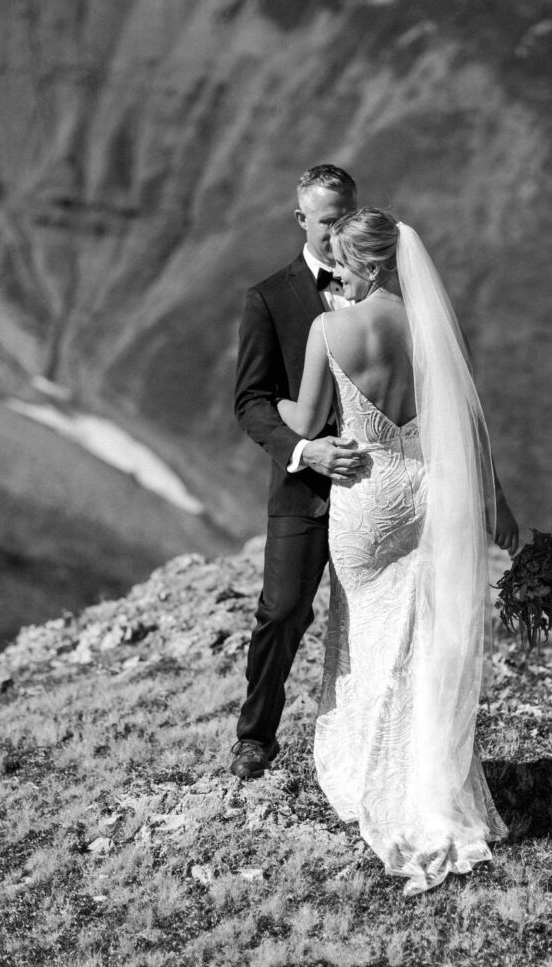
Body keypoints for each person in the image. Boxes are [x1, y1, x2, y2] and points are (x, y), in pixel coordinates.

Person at [276, 206, 520, 894]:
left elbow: (304, 416)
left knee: (362, 637)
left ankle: (367, 773)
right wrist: (499, 505)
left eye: (344, 262)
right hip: (428, 492)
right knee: (421, 639)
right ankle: (429, 781)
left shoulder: (330, 329)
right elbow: (467, 422)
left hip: (367, 496)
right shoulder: (428, 327)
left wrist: (265, 407)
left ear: (372, 263)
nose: (337, 273)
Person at [230, 164, 369, 781]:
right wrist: (304, 451)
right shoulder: (268, 298)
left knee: (377, 619)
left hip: (377, 485)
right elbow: (251, 402)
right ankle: (255, 736)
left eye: (348, 218)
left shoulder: (383, 287)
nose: (339, 232)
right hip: (303, 486)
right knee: (283, 611)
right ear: (300, 220)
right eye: (327, 220)